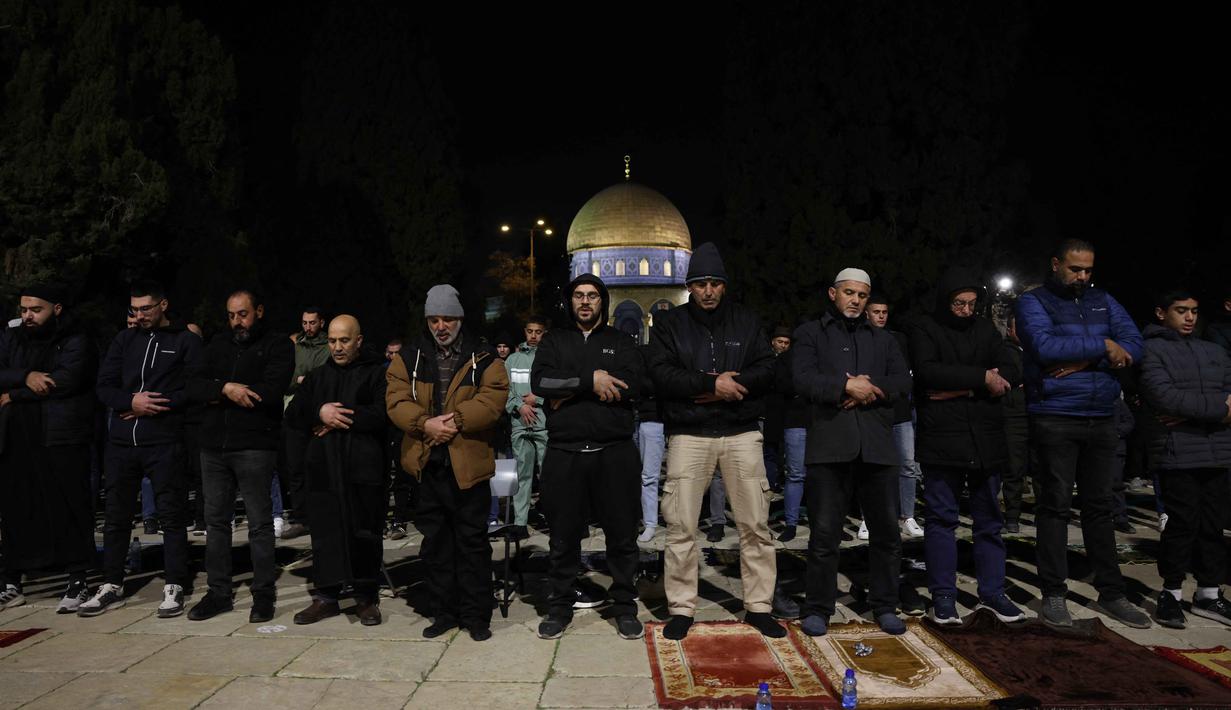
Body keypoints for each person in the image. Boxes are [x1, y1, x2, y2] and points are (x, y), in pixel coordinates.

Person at [647, 242, 781, 640]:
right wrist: (711, 384)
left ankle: (758, 606)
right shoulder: (670, 325)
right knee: (681, 527)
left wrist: (730, 386)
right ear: (690, 286)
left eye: (714, 283)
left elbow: (769, 367)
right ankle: (682, 608)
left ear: (724, 286)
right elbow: (662, 374)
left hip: (740, 433)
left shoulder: (745, 320)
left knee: (755, 524)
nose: (707, 290)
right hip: (690, 434)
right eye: (700, 283)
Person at [1015, 239, 1151, 629]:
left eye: (1089, 270)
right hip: (1055, 413)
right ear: (1056, 263)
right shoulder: (1033, 301)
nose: (1083, 277)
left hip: (1102, 414)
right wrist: (1105, 347)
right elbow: (1043, 346)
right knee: (1054, 507)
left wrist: (1088, 357)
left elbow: (1135, 345)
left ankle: (1112, 593)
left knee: (1100, 508)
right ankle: (1054, 594)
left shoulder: (1103, 300)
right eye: (1075, 269)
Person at [792, 268, 912, 637]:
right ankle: (818, 607)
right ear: (833, 293)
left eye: (862, 294)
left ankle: (885, 605)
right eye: (849, 293)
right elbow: (801, 377)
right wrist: (845, 385)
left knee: (887, 535)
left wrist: (868, 389)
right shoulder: (811, 334)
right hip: (830, 447)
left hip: (877, 447)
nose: (856, 300)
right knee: (825, 535)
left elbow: (902, 381)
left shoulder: (884, 339)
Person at [386, 284, 508, 642]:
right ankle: (443, 612)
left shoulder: (484, 357)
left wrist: (452, 421)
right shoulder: (408, 358)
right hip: (427, 466)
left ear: (460, 319)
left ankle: (475, 615)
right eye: (435, 319)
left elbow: (493, 399)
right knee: (436, 545)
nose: (441, 326)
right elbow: (395, 399)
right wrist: (424, 424)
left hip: (468, 468)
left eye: (448, 319)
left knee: (472, 544)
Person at [530, 274, 645, 640]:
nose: (585, 302)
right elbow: (541, 383)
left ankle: (624, 606)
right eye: (578, 295)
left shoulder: (622, 341)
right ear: (570, 301)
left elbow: (633, 385)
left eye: (592, 296)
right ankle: (560, 605)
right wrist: (589, 381)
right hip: (566, 453)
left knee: (622, 535)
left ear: (603, 302)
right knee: (563, 536)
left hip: (614, 453)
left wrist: (570, 389)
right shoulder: (554, 340)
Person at [909, 269, 1025, 624]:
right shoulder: (924, 327)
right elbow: (928, 373)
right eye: (959, 303)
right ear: (946, 301)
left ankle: (992, 592)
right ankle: (943, 596)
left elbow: (1011, 369)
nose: (965, 309)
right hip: (942, 439)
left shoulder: (986, 329)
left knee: (989, 521)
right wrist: (981, 379)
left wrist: (961, 387)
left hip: (985, 440)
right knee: (942, 520)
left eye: (972, 303)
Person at [83, 280, 203, 618]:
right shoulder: (123, 339)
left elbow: (194, 388)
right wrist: (130, 402)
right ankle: (112, 583)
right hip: (122, 443)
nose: (139, 315)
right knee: (117, 517)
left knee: (171, 515)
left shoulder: (185, 341)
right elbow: (104, 386)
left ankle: (176, 583)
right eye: (134, 309)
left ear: (163, 305)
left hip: (164, 442)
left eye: (145, 308)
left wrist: (155, 406)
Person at [185, 290, 293, 623]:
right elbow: (193, 386)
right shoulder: (217, 344)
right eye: (231, 315)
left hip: (254, 445)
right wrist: (225, 389)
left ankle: (263, 594)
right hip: (214, 446)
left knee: (260, 523)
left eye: (243, 314)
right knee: (216, 522)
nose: (236, 322)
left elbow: (269, 393)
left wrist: (219, 390)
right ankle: (218, 592)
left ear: (259, 311)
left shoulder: (278, 345)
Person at [0, 285, 98, 613]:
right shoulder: (12, 336)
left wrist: (17, 393)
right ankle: (13, 582)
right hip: (17, 436)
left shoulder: (75, 337)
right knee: (18, 508)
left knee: (68, 505)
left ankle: (78, 579)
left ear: (55, 308)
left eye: (35, 309)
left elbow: (66, 380)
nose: (27, 315)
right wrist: (25, 375)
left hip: (60, 435)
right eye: (24, 309)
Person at [287, 315, 390, 626]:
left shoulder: (376, 373)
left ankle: (365, 598)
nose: (337, 347)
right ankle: (327, 597)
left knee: (364, 531)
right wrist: (320, 411)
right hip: (325, 470)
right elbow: (294, 413)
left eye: (344, 340)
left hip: (363, 468)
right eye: (332, 341)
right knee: (326, 533)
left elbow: (383, 413)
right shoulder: (318, 377)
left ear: (358, 340)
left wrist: (339, 418)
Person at [1138, 289, 1231, 628]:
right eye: (1181, 310)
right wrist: (1221, 412)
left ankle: (1208, 594)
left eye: (1193, 310)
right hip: (1178, 452)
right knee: (1181, 525)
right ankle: (1171, 594)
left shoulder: (1214, 350)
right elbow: (1165, 397)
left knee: (1213, 525)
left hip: (1218, 451)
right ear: (1162, 313)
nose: (1190, 317)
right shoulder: (1150, 349)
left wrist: (1203, 413)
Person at [867, 295, 924, 538]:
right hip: (871, 411)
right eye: (876, 311)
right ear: (867, 313)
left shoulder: (899, 339)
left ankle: (907, 516)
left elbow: (905, 376)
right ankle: (868, 519)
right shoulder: (859, 338)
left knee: (907, 466)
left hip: (900, 411)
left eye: (884, 311)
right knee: (871, 467)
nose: (881, 315)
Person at [279, 307, 330, 539]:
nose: (308, 327)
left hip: (318, 412)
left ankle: (321, 514)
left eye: (312, 322)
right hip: (293, 411)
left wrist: (304, 379)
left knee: (318, 466)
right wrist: (301, 379)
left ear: (321, 322)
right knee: (295, 467)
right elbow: (286, 377)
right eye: (304, 322)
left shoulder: (327, 345)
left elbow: (321, 377)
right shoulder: (293, 344)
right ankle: (300, 517)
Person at [502, 316, 548, 540]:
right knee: (522, 475)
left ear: (544, 333)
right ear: (525, 332)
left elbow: (556, 387)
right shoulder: (511, 360)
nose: (533, 336)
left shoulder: (548, 358)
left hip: (543, 425)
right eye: (530, 331)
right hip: (520, 424)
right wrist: (520, 406)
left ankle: (555, 518)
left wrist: (536, 399)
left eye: (538, 332)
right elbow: (503, 390)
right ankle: (520, 523)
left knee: (549, 474)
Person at [770, 328, 810, 542]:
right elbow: (783, 386)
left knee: (822, 476)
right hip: (795, 421)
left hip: (822, 422)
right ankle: (792, 523)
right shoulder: (786, 359)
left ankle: (825, 522)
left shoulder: (821, 357)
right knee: (795, 474)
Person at [1000, 313, 1031, 533]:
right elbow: (1012, 377)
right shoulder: (1005, 352)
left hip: (1038, 413)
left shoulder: (1038, 350)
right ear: (1010, 331)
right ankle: (1012, 515)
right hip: (1014, 416)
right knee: (1014, 469)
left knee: (1043, 469)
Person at [635, 343, 666, 543]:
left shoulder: (662, 355)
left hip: (654, 421)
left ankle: (651, 523)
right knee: (637, 476)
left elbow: (657, 385)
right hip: (636, 421)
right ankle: (642, 519)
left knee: (649, 476)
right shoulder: (641, 353)